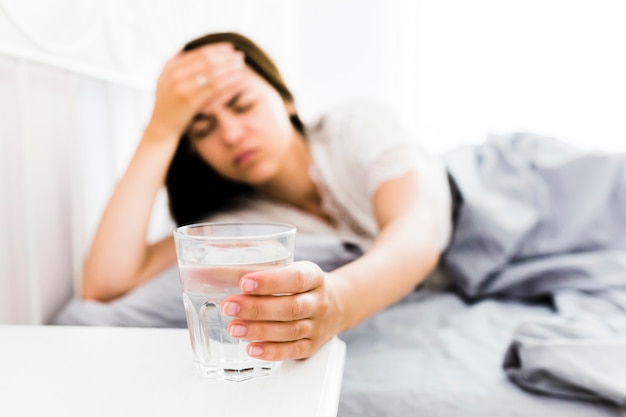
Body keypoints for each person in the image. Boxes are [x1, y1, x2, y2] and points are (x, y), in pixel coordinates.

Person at [78, 31, 626, 363]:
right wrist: (159, 131)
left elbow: (416, 233)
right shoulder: (241, 221)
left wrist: (335, 304)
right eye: (201, 130)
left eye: (241, 105)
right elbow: (104, 285)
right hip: (482, 270)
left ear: (285, 97)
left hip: (512, 192)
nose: (230, 134)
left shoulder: (353, 125)